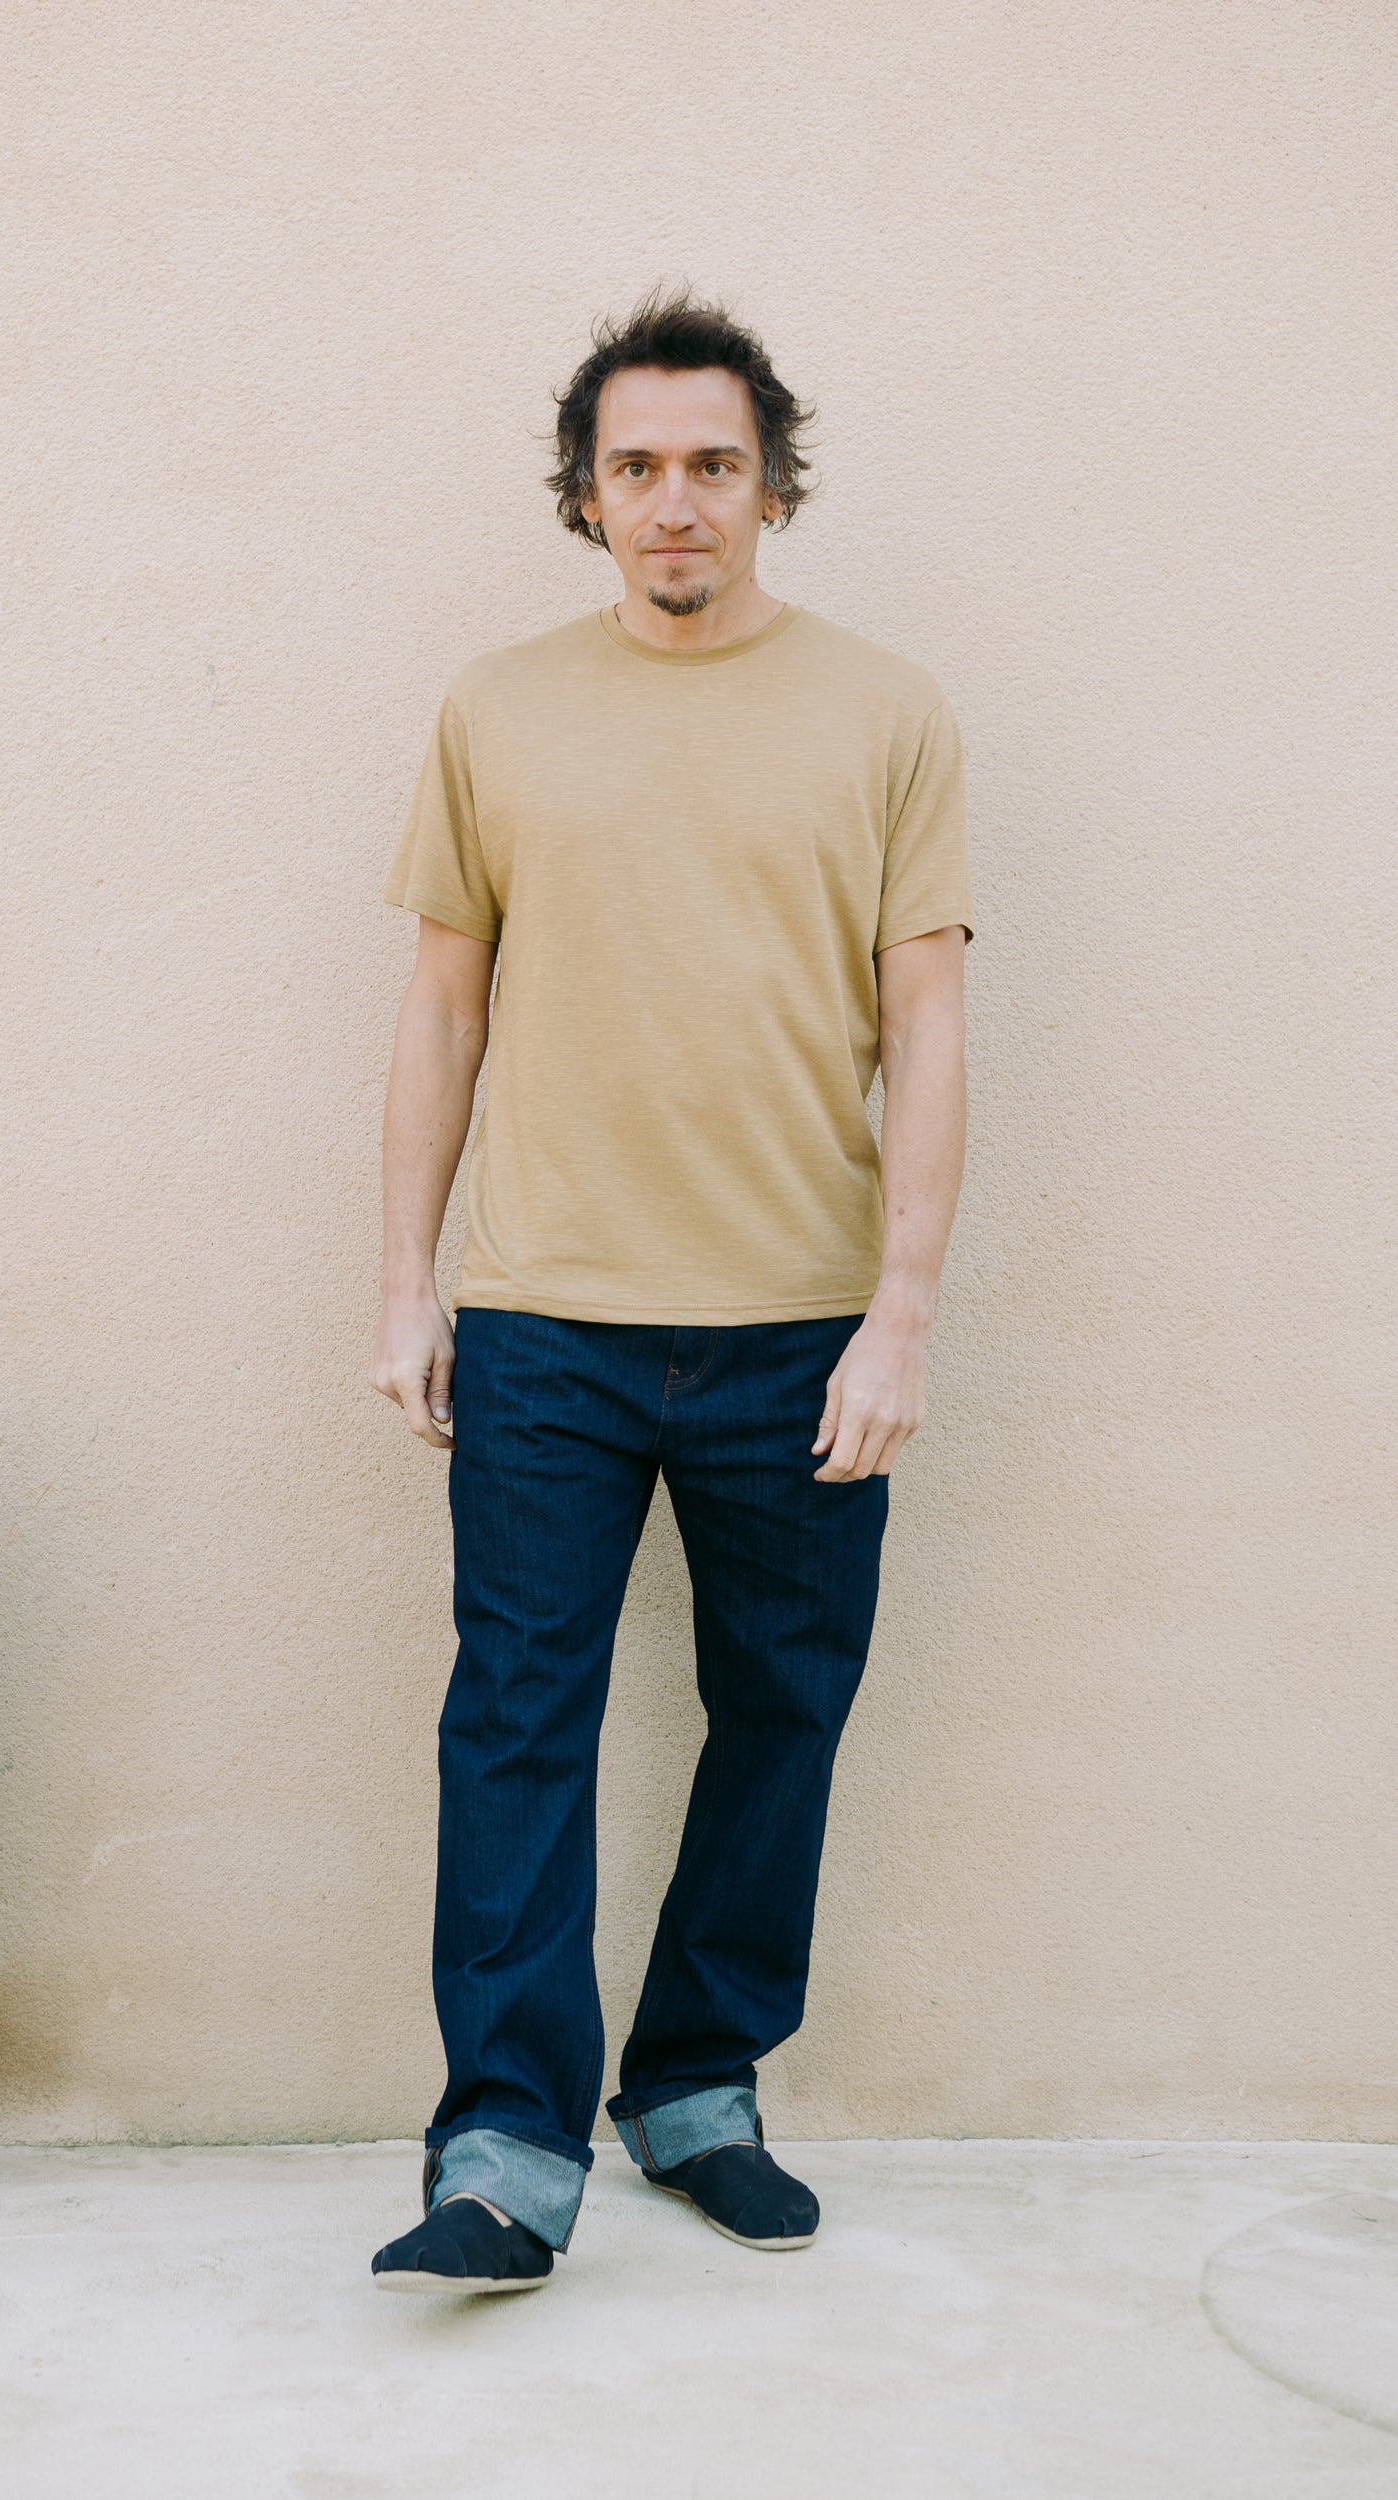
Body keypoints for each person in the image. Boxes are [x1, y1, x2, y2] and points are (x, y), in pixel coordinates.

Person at [369, 289, 973, 2294]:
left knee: (782, 1709)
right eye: (636, 466)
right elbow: (440, 1008)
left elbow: (929, 1020)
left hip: (800, 1324)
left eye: (715, 463)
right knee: (516, 1719)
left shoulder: (886, 712)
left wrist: (901, 1309)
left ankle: (699, 2085)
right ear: (586, 494)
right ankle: (505, 2143)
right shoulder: (498, 709)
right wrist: (409, 1284)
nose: (676, 500)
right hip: (546, 1315)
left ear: (771, 484)